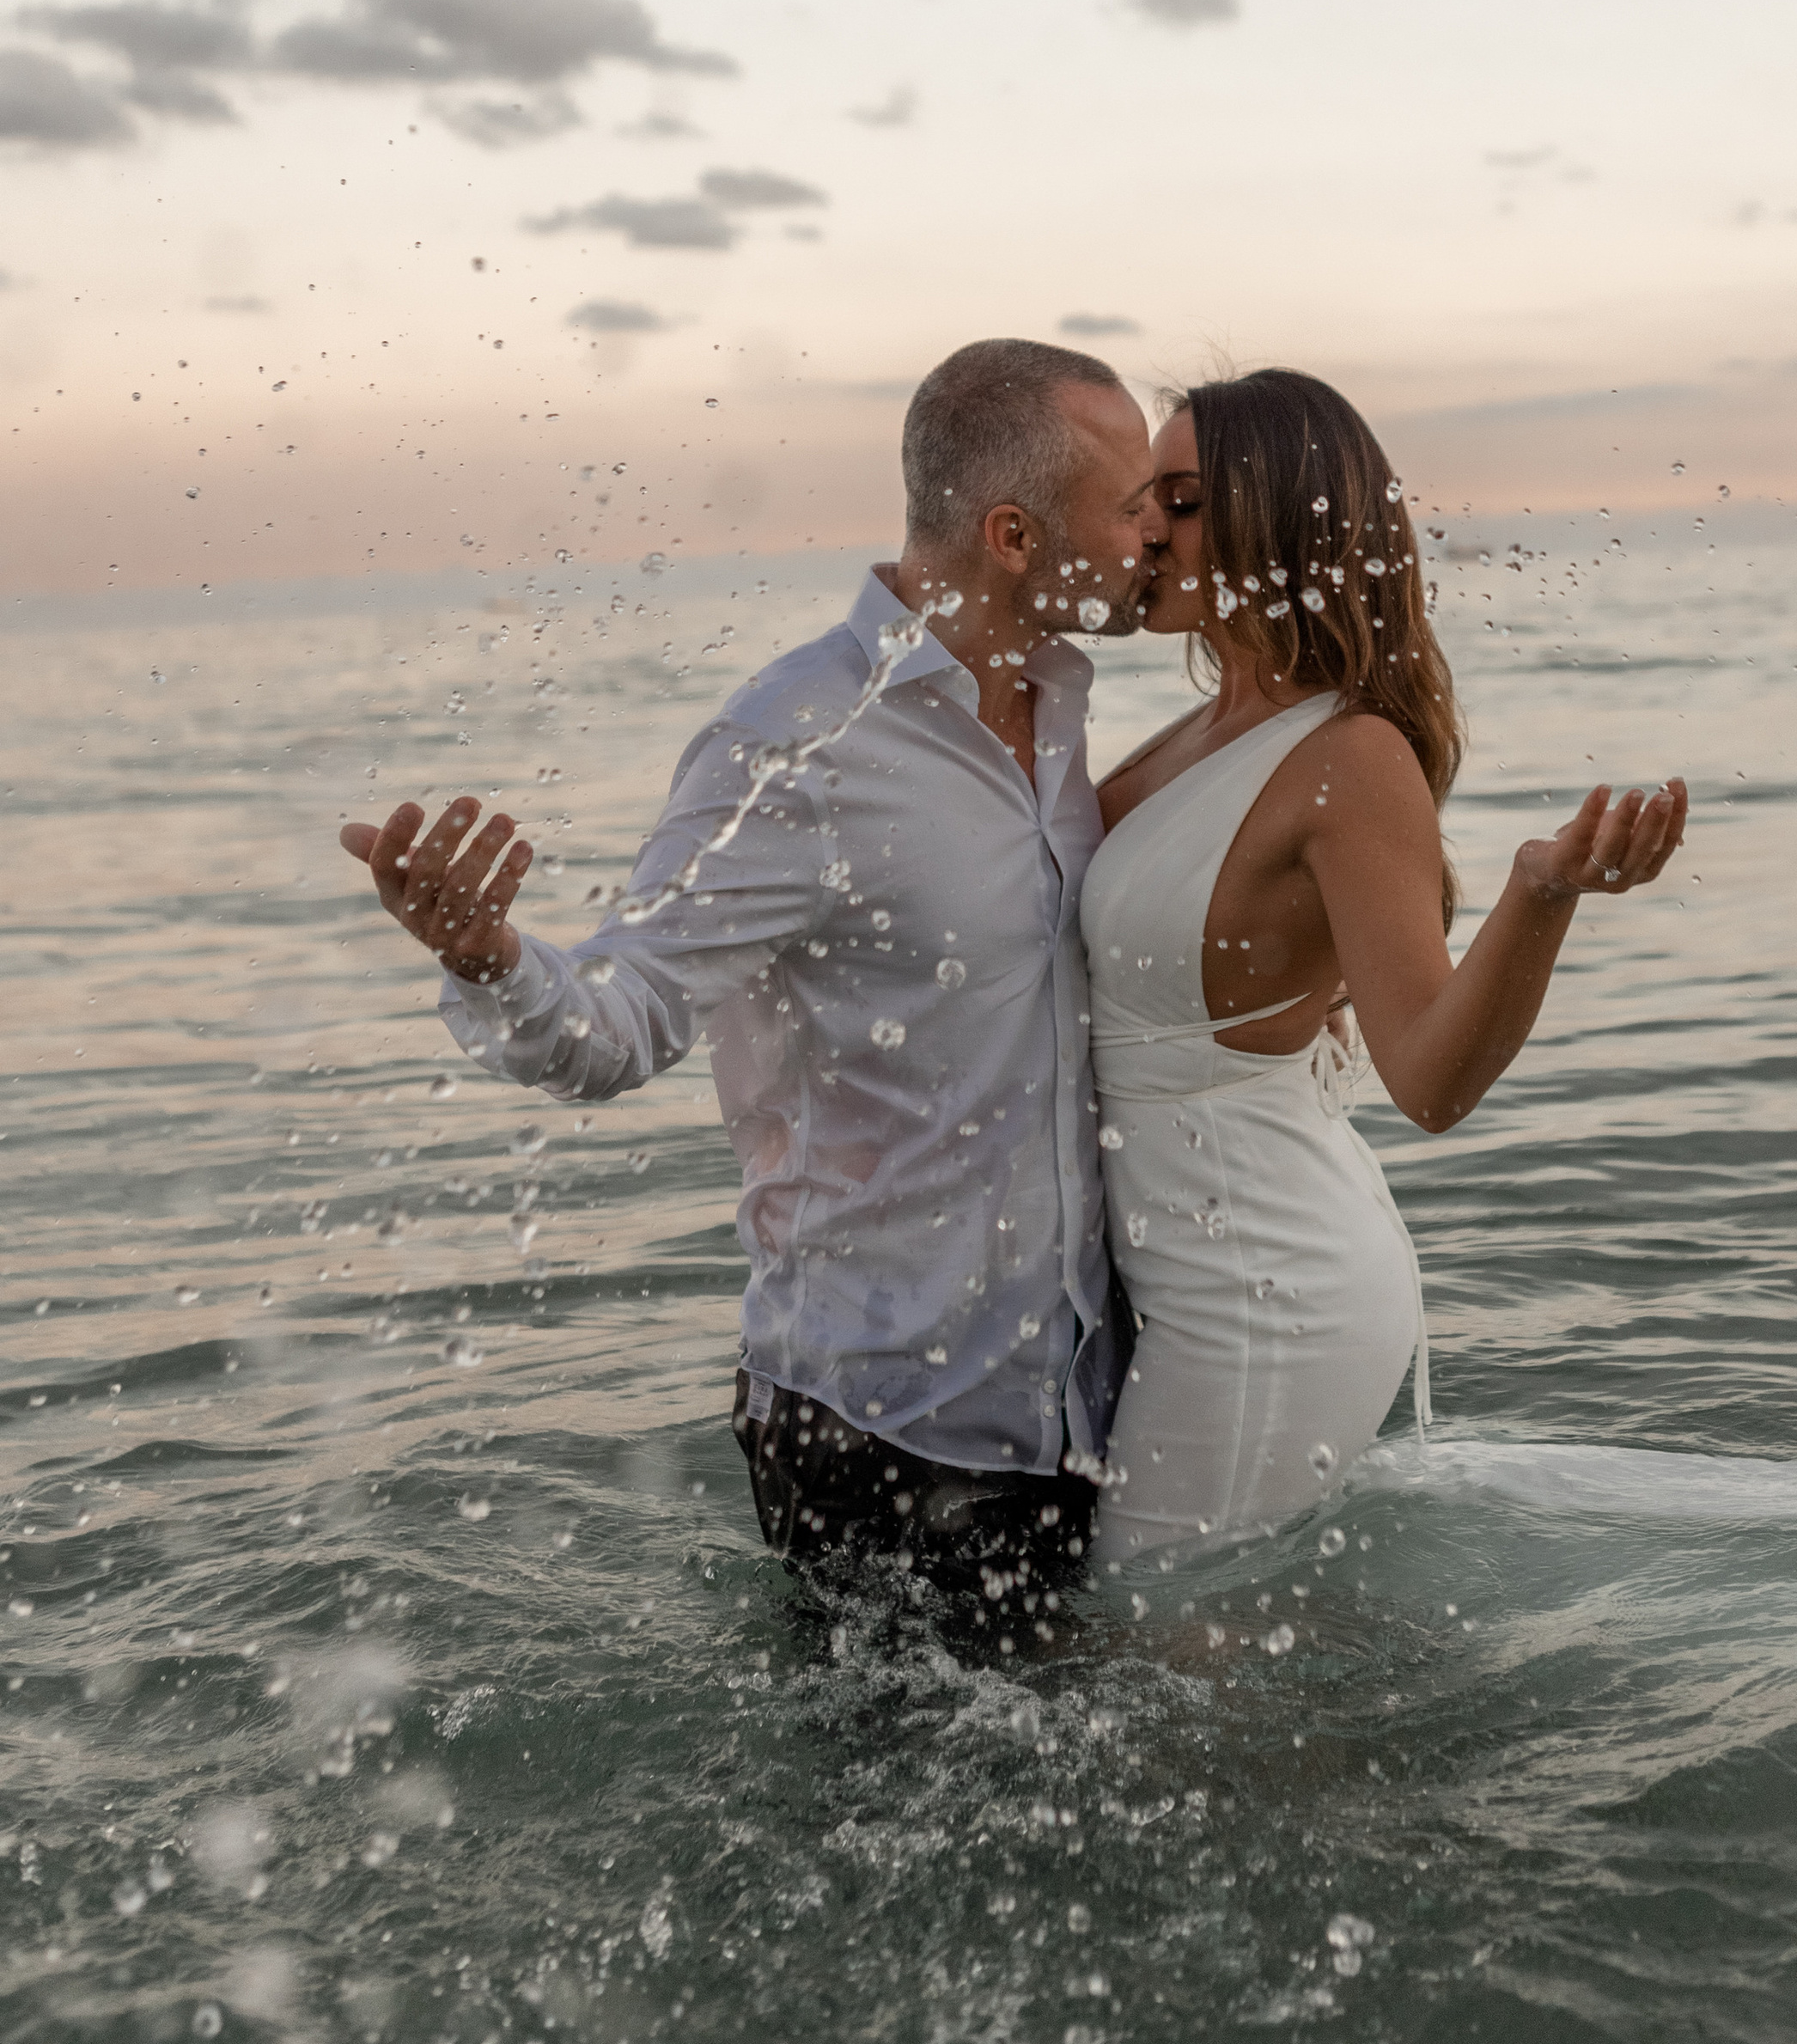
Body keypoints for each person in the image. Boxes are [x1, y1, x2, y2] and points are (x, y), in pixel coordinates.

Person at [338, 339, 1168, 1645]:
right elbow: (618, 1023)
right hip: (883, 1429)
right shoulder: (796, 746)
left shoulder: (1057, 708)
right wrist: (489, 959)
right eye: (1132, 506)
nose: (1156, 532)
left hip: (1074, 1405)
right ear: (1015, 536)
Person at [1082, 368, 1686, 1571]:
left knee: (1159, 1634)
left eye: (1183, 502)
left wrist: (1540, 893)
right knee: (1172, 1640)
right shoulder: (1197, 732)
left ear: (1276, 520)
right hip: (1169, 1275)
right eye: (1143, 497)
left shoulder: (1349, 758)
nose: (1147, 527)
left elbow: (1430, 1081)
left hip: (1266, 1292)